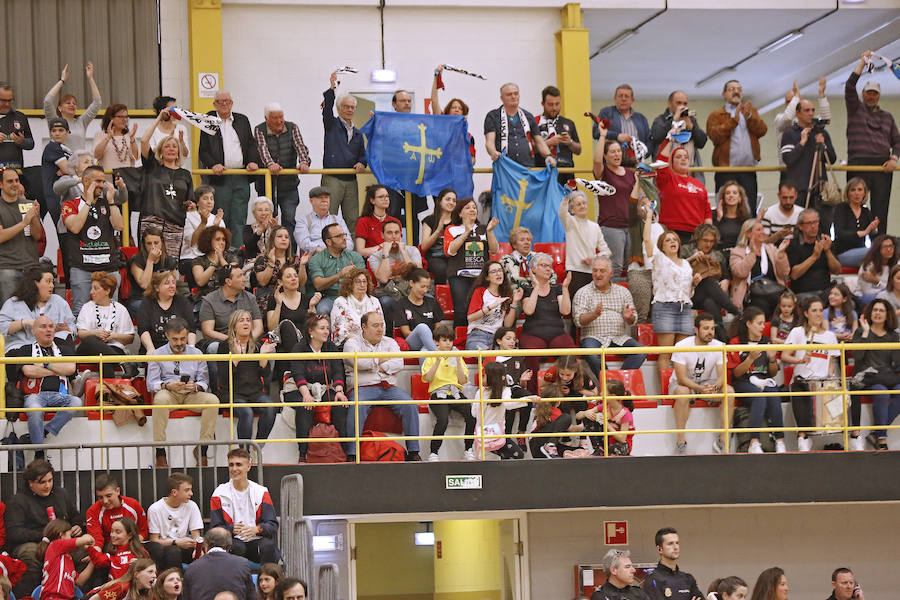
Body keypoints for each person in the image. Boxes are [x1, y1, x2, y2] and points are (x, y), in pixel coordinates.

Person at [343, 311, 421, 461]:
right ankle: (352, 454)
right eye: (375, 325)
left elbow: (399, 363)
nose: (380, 329)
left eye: (382, 325)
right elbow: (358, 362)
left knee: (410, 405)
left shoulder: (390, 342)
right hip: (362, 387)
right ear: (364, 327)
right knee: (356, 406)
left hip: (388, 387)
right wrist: (382, 360)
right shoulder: (351, 343)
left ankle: (413, 452)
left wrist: (375, 365)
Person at [147, 317, 220, 468]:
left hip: (191, 394)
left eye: (183, 339)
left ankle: (202, 449)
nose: (180, 343)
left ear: (188, 336)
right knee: (159, 401)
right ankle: (160, 451)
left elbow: (204, 382)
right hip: (169, 394)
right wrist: (168, 386)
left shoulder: (197, 353)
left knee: (213, 401)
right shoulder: (157, 354)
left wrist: (195, 386)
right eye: (175, 339)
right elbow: (151, 384)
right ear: (167, 336)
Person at [5, 459, 83, 598]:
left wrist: (77, 527)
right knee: (30, 554)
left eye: (50, 480)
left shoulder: (61, 494)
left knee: (84, 553)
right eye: (42, 482)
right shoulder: (19, 500)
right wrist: (46, 536)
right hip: (34, 543)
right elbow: (15, 532)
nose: (47, 485)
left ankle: (79, 595)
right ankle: (28, 596)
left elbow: (76, 517)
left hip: (63, 542)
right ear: (30, 483)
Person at [845, 51, 900, 236]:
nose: (871, 96)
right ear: (863, 94)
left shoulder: (887, 117)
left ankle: (881, 247)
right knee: (853, 207)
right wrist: (862, 63)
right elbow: (849, 85)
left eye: (874, 94)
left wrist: (894, 159)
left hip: (882, 166)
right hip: (857, 163)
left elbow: (898, 142)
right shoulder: (855, 109)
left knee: (880, 209)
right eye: (868, 93)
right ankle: (853, 244)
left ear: (878, 96)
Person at [198, 91, 260, 248]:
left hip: (240, 175)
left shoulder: (242, 120)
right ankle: (220, 252)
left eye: (227, 101)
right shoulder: (209, 120)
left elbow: (251, 144)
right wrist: (213, 165)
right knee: (221, 216)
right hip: (220, 177)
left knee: (239, 217)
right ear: (214, 105)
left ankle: (238, 253)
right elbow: (203, 150)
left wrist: (252, 161)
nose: (224, 104)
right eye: (220, 101)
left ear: (232, 103)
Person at [8, 316, 82, 447]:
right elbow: (29, 371)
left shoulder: (65, 349)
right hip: (34, 396)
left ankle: (44, 432)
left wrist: (45, 365)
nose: (48, 330)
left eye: (51, 326)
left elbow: (70, 369)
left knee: (76, 402)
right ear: (33, 331)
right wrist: (58, 370)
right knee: (35, 410)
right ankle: (40, 453)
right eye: (43, 327)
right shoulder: (25, 349)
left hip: (60, 394)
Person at [61, 164, 124, 317]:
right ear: (85, 181)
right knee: (79, 311)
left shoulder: (106, 203)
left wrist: (111, 202)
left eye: (103, 182)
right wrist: (88, 202)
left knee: (111, 311)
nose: (101, 185)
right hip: (81, 266)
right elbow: (75, 227)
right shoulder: (71, 204)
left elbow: (119, 226)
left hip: (108, 267)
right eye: (98, 181)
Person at [285, 313, 348, 462]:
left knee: (340, 405)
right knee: (305, 406)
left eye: (327, 328)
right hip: (298, 388)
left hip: (324, 388)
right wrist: (306, 395)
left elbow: (338, 370)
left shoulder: (330, 346)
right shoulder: (299, 348)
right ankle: (303, 453)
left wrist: (339, 391)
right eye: (322, 328)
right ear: (311, 332)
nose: (326, 331)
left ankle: (344, 450)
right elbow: (298, 374)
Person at [669, 313, 733, 454]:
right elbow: (681, 378)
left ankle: (723, 440)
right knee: (683, 393)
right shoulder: (681, 345)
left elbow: (722, 375)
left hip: (706, 383)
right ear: (696, 330)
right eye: (705, 328)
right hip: (684, 384)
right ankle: (681, 441)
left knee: (729, 391)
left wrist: (715, 387)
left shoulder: (719, 346)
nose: (710, 332)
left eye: (712, 328)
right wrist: (700, 389)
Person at [781, 296, 839, 452]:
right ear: (806, 313)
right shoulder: (797, 332)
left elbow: (831, 365)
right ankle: (803, 437)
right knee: (800, 387)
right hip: (802, 380)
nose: (819, 314)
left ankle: (854, 436)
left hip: (823, 383)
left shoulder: (830, 337)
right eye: (814, 310)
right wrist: (800, 361)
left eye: (821, 310)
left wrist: (831, 377)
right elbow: (784, 356)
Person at [642, 208, 696, 371]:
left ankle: (682, 388)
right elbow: (646, 240)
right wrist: (649, 217)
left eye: (675, 240)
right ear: (662, 246)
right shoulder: (659, 259)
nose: (672, 242)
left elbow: (688, 291)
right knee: (666, 354)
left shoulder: (686, 264)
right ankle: (666, 393)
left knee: (683, 354)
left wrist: (695, 283)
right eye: (667, 240)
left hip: (685, 308)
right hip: (664, 307)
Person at [728, 307, 786, 454]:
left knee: (774, 395)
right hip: (743, 382)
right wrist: (750, 359)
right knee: (759, 398)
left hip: (764, 380)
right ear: (748, 324)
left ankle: (780, 441)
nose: (762, 327)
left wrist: (772, 359)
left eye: (763, 323)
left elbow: (772, 373)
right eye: (759, 323)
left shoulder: (767, 342)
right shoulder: (736, 343)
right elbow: (737, 373)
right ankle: (754, 442)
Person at [572, 256, 644, 375]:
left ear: (611, 273)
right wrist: (594, 315)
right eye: (595, 270)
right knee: (591, 353)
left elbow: (633, 319)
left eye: (602, 271)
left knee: (640, 352)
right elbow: (578, 321)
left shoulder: (623, 292)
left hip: (619, 337)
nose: (598, 274)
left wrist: (628, 318)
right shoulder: (583, 292)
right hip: (593, 337)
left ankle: (618, 383)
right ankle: (609, 384)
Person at [216, 311, 278, 446]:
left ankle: (258, 446)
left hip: (254, 392)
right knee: (246, 412)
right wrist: (236, 358)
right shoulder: (224, 346)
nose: (246, 323)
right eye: (241, 320)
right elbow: (224, 377)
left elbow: (265, 375)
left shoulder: (256, 346)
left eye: (248, 320)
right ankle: (245, 452)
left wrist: (262, 358)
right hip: (231, 393)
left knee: (271, 408)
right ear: (233, 326)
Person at [706, 80, 768, 214]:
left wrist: (750, 117)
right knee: (724, 209)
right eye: (732, 89)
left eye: (739, 89)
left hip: (748, 170)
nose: (736, 92)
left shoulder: (751, 112)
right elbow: (714, 136)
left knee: (749, 208)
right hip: (726, 170)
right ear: (724, 94)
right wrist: (734, 120)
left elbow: (762, 130)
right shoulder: (716, 115)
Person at [209, 449, 279, 563]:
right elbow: (215, 528)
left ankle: (267, 578)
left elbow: (272, 525)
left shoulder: (261, 492)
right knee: (237, 548)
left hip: (257, 540)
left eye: (239, 465)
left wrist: (256, 529)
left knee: (268, 546)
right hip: (233, 542)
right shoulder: (219, 493)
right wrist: (231, 530)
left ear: (248, 466)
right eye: (231, 465)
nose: (234, 469)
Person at [254, 103, 310, 243]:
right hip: (266, 185)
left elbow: (300, 147)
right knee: (268, 221)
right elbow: (262, 150)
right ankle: (269, 253)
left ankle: (290, 255)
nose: (279, 121)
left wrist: (304, 162)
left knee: (289, 220)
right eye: (274, 118)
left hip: (289, 185)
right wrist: (270, 164)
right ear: (266, 119)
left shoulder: (292, 127)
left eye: (281, 117)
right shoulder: (259, 130)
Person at [519, 254, 574, 394]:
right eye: (543, 265)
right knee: (530, 354)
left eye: (550, 266)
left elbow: (566, 311)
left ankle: (565, 392)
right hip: (533, 334)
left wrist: (566, 288)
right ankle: (532, 395)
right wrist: (536, 287)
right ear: (533, 269)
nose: (548, 269)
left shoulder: (557, 288)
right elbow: (528, 310)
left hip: (557, 333)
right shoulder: (527, 289)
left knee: (570, 351)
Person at [321, 72, 367, 235]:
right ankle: (327, 256)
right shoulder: (331, 124)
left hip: (350, 180)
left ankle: (355, 254)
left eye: (352, 107)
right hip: (332, 177)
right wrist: (332, 89)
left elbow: (363, 154)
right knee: (328, 219)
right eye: (346, 106)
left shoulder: (358, 133)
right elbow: (327, 110)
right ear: (339, 108)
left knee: (353, 219)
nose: (349, 110)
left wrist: (362, 162)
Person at [780, 99, 837, 228]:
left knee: (824, 226)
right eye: (807, 110)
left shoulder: (822, 133)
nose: (811, 113)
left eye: (812, 110)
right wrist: (802, 142)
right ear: (798, 113)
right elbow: (788, 159)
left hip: (821, 189)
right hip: (800, 188)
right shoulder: (789, 134)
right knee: (799, 226)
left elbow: (832, 159)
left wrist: (823, 145)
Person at [852, 299, 900, 451]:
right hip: (867, 378)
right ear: (870, 313)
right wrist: (866, 332)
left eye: (881, 311)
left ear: (887, 315)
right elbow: (858, 357)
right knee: (882, 393)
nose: (877, 313)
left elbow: (897, 363)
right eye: (875, 310)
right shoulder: (861, 331)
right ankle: (881, 438)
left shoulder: (893, 335)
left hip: (887, 376)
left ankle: (876, 432)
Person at [444, 197, 500, 327]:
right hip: (459, 277)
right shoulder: (452, 229)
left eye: (474, 207)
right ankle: (460, 344)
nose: (472, 210)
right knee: (461, 311)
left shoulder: (484, 228)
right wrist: (466, 232)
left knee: (481, 309)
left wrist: (490, 231)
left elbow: (494, 250)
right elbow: (450, 251)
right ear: (459, 213)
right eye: (468, 207)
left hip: (480, 277)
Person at [422, 325, 475, 461]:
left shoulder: (458, 357)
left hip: (456, 393)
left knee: (472, 415)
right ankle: (433, 452)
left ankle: (468, 449)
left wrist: (457, 361)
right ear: (436, 342)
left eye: (450, 341)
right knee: (443, 420)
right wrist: (438, 361)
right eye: (444, 340)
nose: (448, 344)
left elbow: (462, 381)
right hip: (438, 394)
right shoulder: (430, 357)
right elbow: (427, 379)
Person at [139, 130, 193, 259]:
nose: (171, 149)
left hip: (175, 223)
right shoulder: (152, 167)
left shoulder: (185, 174)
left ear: (179, 152)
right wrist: (160, 117)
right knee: (150, 259)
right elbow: (143, 141)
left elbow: (191, 199)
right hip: (153, 221)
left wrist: (191, 204)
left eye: (174, 146)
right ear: (161, 151)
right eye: (167, 146)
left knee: (171, 262)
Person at [593, 123, 637, 275]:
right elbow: (597, 161)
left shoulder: (631, 174)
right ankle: (611, 298)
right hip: (611, 227)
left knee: (632, 267)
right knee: (615, 267)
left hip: (631, 226)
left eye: (618, 151)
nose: (617, 155)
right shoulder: (603, 173)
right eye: (612, 152)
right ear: (606, 155)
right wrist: (603, 136)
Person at [0, 263, 75, 353]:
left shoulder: (59, 302)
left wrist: (66, 329)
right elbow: (2, 328)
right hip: (23, 347)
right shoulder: (14, 303)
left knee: (65, 343)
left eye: (52, 282)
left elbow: (72, 327)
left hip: (52, 347)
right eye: (48, 282)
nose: (52, 286)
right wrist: (24, 322)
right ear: (35, 284)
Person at [683, 223, 741, 335]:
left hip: (713, 296)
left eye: (711, 241)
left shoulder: (718, 256)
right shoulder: (686, 251)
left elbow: (725, 275)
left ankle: (721, 335)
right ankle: (735, 310)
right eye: (705, 240)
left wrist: (726, 281)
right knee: (707, 281)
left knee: (709, 303)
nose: (708, 244)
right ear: (697, 239)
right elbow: (678, 267)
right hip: (692, 293)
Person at [75, 272, 135, 378]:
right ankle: (122, 362)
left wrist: (113, 336)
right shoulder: (87, 307)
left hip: (113, 347)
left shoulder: (120, 309)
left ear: (107, 291)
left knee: (105, 360)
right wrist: (95, 333)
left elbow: (130, 338)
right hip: (88, 349)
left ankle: (106, 393)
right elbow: (80, 333)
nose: (91, 292)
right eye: (91, 288)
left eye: (95, 288)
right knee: (91, 339)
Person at [367, 220, 423, 332]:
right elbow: (383, 278)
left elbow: (418, 275)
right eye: (389, 233)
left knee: (429, 298)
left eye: (397, 233)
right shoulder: (375, 256)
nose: (394, 236)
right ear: (382, 235)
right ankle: (388, 335)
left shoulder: (412, 251)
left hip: (410, 291)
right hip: (389, 293)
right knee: (385, 302)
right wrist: (386, 254)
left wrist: (403, 251)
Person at [484, 82, 555, 168]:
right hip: (504, 166)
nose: (513, 96)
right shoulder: (493, 116)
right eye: (509, 94)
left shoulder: (528, 116)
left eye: (516, 93)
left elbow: (539, 141)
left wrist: (548, 156)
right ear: (501, 98)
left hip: (527, 167)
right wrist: (493, 152)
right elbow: (489, 141)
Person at [198, 266, 264, 356]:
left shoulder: (250, 298)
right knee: (213, 348)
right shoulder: (210, 300)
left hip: (248, 339)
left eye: (243, 275)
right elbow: (207, 332)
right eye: (240, 276)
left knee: (268, 348)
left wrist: (248, 340)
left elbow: (259, 327)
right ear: (228, 282)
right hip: (223, 341)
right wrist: (232, 340)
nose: (244, 279)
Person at [729, 219, 790, 316]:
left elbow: (784, 273)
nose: (762, 232)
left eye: (763, 229)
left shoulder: (771, 249)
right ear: (748, 234)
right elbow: (740, 272)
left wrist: (781, 254)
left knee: (787, 303)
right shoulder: (737, 252)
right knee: (762, 306)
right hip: (751, 295)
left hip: (774, 291)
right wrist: (752, 253)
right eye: (758, 230)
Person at [0, 167, 42, 305]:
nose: (15, 184)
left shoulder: (28, 204)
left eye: (17, 180)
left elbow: (37, 235)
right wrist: (24, 222)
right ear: (1, 184)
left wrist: (34, 217)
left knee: (33, 309)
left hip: (31, 265)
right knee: (9, 310)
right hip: (7, 267)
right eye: (10, 181)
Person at [656, 140, 711, 244]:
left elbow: (706, 210)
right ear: (671, 162)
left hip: (696, 234)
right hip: (672, 232)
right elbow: (660, 162)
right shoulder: (667, 179)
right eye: (678, 157)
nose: (683, 159)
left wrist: (708, 232)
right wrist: (669, 140)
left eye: (686, 157)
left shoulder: (698, 184)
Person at [146, 473, 203, 571]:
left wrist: (198, 549)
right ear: (174, 492)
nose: (191, 493)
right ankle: (177, 581)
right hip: (165, 547)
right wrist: (175, 542)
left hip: (185, 546)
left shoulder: (192, 506)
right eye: (187, 490)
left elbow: (196, 536)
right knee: (173, 551)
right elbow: (154, 541)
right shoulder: (155, 509)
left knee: (207, 553)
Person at [307, 222, 365, 316]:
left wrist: (354, 275)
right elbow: (318, 284)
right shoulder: (317, 259)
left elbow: (365, 280)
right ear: (328, 242)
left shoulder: (355, 257)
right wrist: (339, 275)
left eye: (344, 234)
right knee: (322, 309)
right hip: (330, 298)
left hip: (352, 296)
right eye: (339, 236)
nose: (344, 238)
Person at [558, 190, 611, 291]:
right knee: (576, 303)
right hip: (574, 271)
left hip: (593, 272)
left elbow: (606, 252)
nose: (582, 206)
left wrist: (594, 259)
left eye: (584, 203)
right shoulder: (570, 222)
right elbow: (562, 212)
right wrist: (566, 197)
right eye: (578, 204)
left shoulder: (595, 227)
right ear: (572, 210)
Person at [43, 63, 102, 151]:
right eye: (68, 103)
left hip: (79, 163)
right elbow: (47, 101)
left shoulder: (82, 121)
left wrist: (90, 78)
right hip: (61, 162)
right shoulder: (54, 121)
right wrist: (62, 81)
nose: (72, 105)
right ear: (60, 108)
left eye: (74, 103)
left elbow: (97, 103)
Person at [182, 528, 255, 600]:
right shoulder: (242, 564)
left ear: (206, 546)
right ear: (229, 547)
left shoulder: (192, 567)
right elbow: (251, 596)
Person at [473, 362, 526, 460]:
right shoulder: (505, 390)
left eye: (484, 376)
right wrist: (528, 399)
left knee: (487, 461)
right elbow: (509, 405)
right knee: (517, 456)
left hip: (483, 435)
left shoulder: (480, 392)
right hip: (496, 435)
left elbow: (474, 413)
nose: (482, 378)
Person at [773, 77, 831, 167]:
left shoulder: (807, 119)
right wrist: (796, 97)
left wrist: (821, 94)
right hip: (787, 168)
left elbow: (825, 119)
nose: (792, 105)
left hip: (808, 167)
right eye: (789, 102)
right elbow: (788, 117)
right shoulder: (780, 118)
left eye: (795, 101)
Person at [85, 474, 150, 554]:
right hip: (109, 546)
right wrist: (95, 554)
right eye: (100, 497)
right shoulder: (93, 511)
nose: (105, 501)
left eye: (109, 496)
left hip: (133, 543)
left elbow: (142, 530)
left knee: (155, 547)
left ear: (118, 491)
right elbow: (96, 538)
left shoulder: (133, 505)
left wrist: (133, 544)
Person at [137, 270, 197, 354]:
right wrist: (150, 348)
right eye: (167, 283)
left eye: (173, 282)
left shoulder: (182, 301)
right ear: (157, 287)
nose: (172, 286)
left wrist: (191, 349)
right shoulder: (147, 303)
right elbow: (143, 330)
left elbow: (191, 328)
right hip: (155, 349)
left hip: (180, 349)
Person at [786, 208, 841, 298]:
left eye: (815, 222)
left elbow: (837, 271)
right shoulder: (793, 244)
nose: (813, 226)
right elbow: (794, 275)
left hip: (825, 291)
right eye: (809, 223)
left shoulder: (825, 242)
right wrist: (814, 257)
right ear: (800, 226)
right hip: (803, 292)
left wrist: (828, 251)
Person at [465, 261, 520, 350]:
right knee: (489, 357)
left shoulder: (506, 294)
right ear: (487, 277)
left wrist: (515, 302)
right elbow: (470, 318)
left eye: (500, 270)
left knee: (506, 357)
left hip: (497, 337)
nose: (498, 273)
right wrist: (491, 306)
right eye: (493, 271)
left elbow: (507, 324)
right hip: (478, 335)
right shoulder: (480, 291)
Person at [430, 65, 476, 165]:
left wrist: (462, 165)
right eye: (454, 107)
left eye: (460, 109)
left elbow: (472, 160)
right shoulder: (441, 123)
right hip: (440, 170)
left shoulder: (468, 136)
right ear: (447, 111)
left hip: (458, 174)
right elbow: (434, 100)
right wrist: (436, 77)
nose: (457, 110)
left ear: (464, 114)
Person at [37, 520, 94, 599]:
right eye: (70, 535)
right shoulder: (55, 545)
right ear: (61, 535)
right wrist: (89, 537)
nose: (72, 538)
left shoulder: (67, 558)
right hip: (54, 597)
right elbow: (87, 540)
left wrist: (93, 562)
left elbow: (79, 581)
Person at [128, 226, 179, 316]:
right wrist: (150, 261)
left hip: (164, 298)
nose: (153, 247)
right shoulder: (136, 260)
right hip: (141, 299)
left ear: (162, 243)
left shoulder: (169, 261)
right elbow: (145, 284)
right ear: (144, 245)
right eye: (149, 243)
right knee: (153, 309)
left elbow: (174, 285)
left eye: (156, 243)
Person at [641, 527, 703, 600]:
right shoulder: (652, 580)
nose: (675, 547)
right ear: (659, 549)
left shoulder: (688, 579)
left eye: (677, 543)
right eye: (670, 544)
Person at [649, 90, 708, 164]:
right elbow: (657, 136)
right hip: (666, 168)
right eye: (679, 103)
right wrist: (673, 120)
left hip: (688, 168)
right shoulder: (661, 119)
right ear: (669, 103)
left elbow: (701, 143)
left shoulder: (691, 120)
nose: (682, 106)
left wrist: (692, 128)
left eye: (685, 103)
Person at [536, 85, 581, 182]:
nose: (554, 108)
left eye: (557, 104)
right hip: (543, 172)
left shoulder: (568, 123)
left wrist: (570, 142)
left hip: (566, 172)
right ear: (543, 103)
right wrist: (548, 143)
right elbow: (529, 149)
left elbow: (578, 150)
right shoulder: (535, 122)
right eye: (550, 104)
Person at [330, 268, 383, 348]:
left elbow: (382, 326)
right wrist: (361, 343)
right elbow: (339, 330)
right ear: (350, 284)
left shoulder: (374, 301)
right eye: (358, 282)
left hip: (373, 344)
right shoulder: (340, 302)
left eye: (364, 281)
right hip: (349, 344)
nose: (362, 285)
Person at [594, 84, 651, 158]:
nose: (623, 99)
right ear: (615, 99)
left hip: (636, 163)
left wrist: (643, 154)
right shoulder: (606, 113)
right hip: (611, 163)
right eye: (620, 96)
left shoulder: (641, 118)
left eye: (626, 96)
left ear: (632, 100)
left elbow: (649, 140)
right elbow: (596, 132)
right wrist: (617, 136)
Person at [396, 268, 444, 355]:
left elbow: (438, 328)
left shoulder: (432, 302)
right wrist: (426, 338)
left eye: (427, 287)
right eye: (422, 286)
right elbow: (406, 332)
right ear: (411, 283)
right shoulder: (401, 304)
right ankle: (440, 356)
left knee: (425, 351)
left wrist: (428, 341)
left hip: (430, 344)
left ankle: (432, 356)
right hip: (412, 342)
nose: (425, 290)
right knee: (422, 327)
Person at [86, 517, 149, 581]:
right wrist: (89, 547)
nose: (113, 535)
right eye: (112, 531)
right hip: (115, 588)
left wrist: (140, 564)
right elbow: (99, 560)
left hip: (136, 588)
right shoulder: (112, 553)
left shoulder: (140, 552)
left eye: (117, 532)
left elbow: (151, 570)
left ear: (130, 535)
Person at [833, 178, 877, 268]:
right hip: (842, 253)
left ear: (865, 193)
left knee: (886, 248)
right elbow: (839, 233)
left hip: (861, 251)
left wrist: (874, 230)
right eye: (853, 190)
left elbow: (873, 237)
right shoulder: (841, 208)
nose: (856, 193)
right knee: (872, 252)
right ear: (848, 193)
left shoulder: (866, 211)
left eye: (860, 190)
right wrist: (862, 233)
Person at [294, 186, 351, 255]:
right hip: (315, 257)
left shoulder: (338, 220)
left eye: (326, 197)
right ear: (311, 201)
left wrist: (336, 252)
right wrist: (326, 253)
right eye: (320, 197)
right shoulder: (303, 221)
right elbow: (304, 243)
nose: (324, 200)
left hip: (338, 257)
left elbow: (349, 242)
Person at [499, 226, 555, 296]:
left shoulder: (539, 258)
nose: (526, 242)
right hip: (515, 297)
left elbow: (552, 276)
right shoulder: (505, 260)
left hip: (540, 295)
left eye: (528, 240)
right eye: (522, 240)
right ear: (514, 244)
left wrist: (543, 291)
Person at [251, 226, 304, 298]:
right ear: (272, 240)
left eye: (286, 237)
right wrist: (271, 263)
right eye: (280, 236)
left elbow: (301, 283)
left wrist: (303, 265)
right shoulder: (263, 258)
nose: (283, 239)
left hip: (290, 295)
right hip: (268, 295)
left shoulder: (294, 259)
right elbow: (262, 282)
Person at [181, 186, 224, 271]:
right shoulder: (188, 217)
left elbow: (221, 244)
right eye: (205, 198)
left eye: (211, 199)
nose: (209, 202)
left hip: (212, 257)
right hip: (191, 257)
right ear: (197, 202)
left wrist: (215, 227)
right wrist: (202, 224)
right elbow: (191, 242)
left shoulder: (218, 219)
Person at [419, 189, 456, 285]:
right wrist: (438, 231)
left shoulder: (458, 221)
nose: (451, 202)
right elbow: (424, 246)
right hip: (435, 256)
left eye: (454, 200)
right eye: (448, 199)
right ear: (439, 202)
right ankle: (440, 297)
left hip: (454, 256)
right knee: (441, 270)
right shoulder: (430, 220)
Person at [354, 184, 401, 260]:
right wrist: (382, 246)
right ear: (372, 200)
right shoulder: (363, 221)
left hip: (394, 259)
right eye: (381, 197)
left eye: (387, 196)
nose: (386, 199)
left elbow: (400, 245)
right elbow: (360, 251)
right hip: (372, 260)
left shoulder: (395, 221)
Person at [191, 226, 239, 299]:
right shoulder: (198, 261)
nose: (222, 242)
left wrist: (220, 258)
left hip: (228, 297)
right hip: (205, 299)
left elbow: (233, 276)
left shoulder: (231, 258)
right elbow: (200, 281)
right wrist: (215, 263)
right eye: (218, 239)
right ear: (208, 241)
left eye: (224, 240)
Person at [40, 117, 72, 224]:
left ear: (67, 132)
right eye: (54, 131)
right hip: (55, 197)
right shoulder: (52, 147)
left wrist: (67, 170)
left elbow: (69, 169)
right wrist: (67, 170)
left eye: (61, 130)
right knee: (64, 233)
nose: (57, 133)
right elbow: (68, 169)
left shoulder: (65, 149)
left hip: (65, 195)